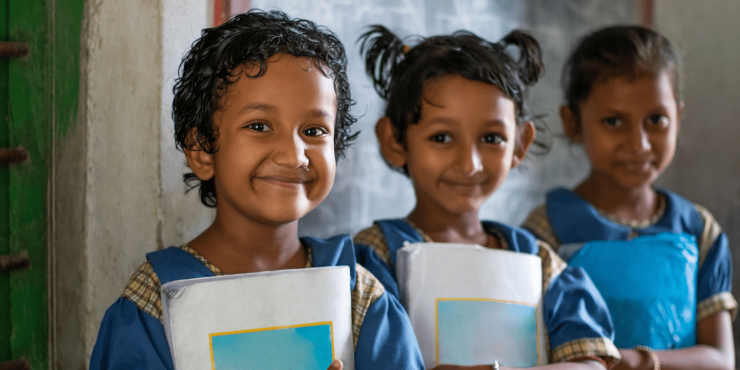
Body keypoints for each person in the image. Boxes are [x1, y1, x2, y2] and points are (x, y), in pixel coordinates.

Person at [89, 10, 423, 370]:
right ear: (201, 149)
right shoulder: (154, 301)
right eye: (260, 125)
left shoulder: (360, 297)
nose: (294, 155)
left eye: (314, 131)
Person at [353, 25, 619, 370]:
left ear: (520, 145)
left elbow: (590, 363)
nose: (470, 163)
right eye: (442, 137)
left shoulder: (538, 259)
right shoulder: (376, 255)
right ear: (395, 141)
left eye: (491, 138)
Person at [522, 26, 735, 370]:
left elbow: (721, 361)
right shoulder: (546, 230)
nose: (639, 144)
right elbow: (530, 350)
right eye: (613, 121)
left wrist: (635, 360)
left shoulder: (698, 229)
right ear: (573, 122)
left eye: (656, 119)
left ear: (678, 118)